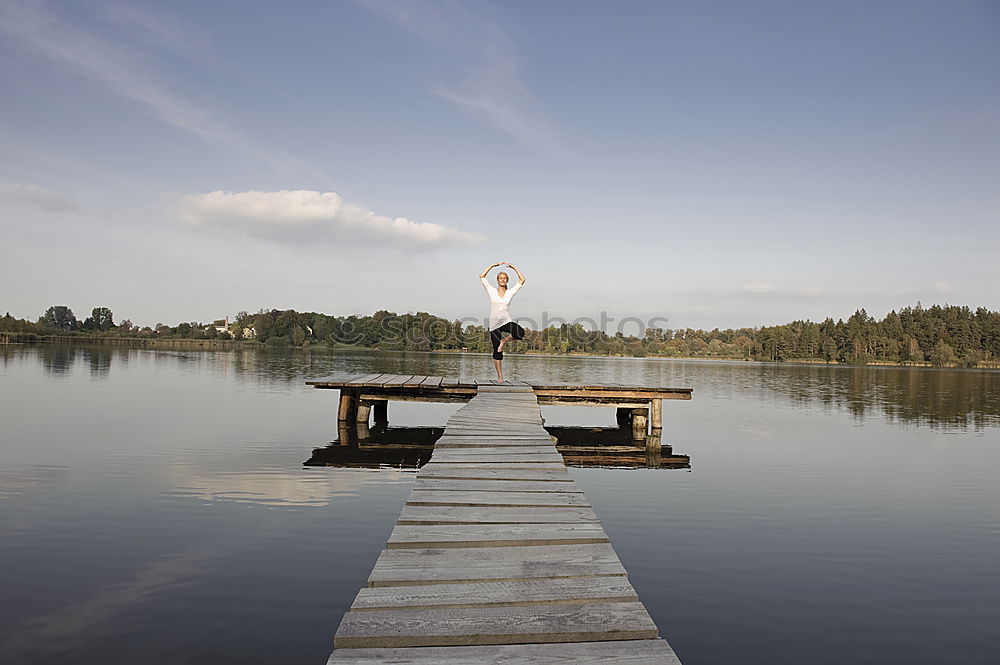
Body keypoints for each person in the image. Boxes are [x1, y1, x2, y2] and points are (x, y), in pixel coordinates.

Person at [479, 261, 526, 383]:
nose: (502, 280)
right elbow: (482, 276)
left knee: (520, 333)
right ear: (497, 280)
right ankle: (500, 377)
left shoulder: (510, 292)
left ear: (507, 280)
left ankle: (503, 341)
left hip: (506, 321)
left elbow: (522, 280)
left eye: (504, 278)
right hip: (494, 325)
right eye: (500, 278)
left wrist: (514, 267)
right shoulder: (492, 291)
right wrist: (492, 266)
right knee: (497, 352)